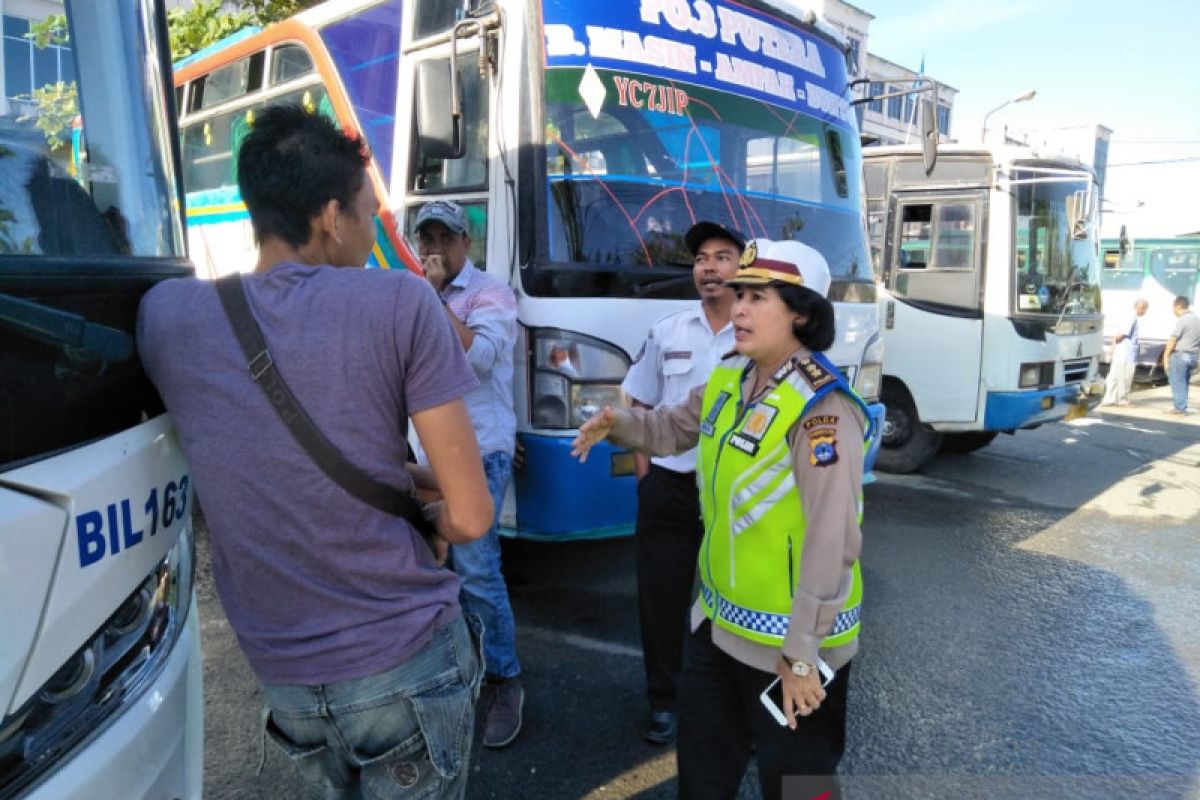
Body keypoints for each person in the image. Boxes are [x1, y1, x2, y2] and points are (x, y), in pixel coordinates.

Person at [137, 105, 493, 799]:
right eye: (366, 213)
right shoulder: (399, 302)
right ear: (331, 216)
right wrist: (436, 523)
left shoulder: (167, 315)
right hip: (404, 657)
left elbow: (265, 451)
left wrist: (410, 480)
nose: (370, 234)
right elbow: (473, 517)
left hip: (282, 675)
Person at [571, 240, 872, 800]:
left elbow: (834, 540)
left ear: (801, 312)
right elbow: (670, 429)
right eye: (739, 295)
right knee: (704, 780)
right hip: (716, 627)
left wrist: (803, 654)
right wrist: (618, 423)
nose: (738, 309)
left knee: (800, 787)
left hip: (790, 647)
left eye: (758, 298)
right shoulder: (731, 379)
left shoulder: (822, 410)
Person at [621, 221, 741, 745]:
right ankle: (663, 702)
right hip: (669, 488)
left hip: (733, 493)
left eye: (722, 256)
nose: (708, 267)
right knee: (662, 600)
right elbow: (638, 399)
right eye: (700, 259)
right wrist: (646, 476)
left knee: (733, 603)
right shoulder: (668, 330)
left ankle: (736, 705)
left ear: (745, 266)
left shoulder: (756, 332)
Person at [413, 199, 525, 748]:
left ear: (466, 243)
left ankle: (505, 679)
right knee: (430, 568)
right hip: (423, 454)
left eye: (444, 237)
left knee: (478, 569)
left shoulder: (490, 293)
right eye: (425, 238)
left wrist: (433, 300)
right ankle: (455, 674)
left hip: (480, 451)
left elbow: (479, 360)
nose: (433, 247)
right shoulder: (411, 293)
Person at [1101, 298, 1148, 407]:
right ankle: (1122, 399)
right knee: (1125, 378)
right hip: (1126, 354)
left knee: (1114, 377)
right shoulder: (1131, 318)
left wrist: (1113, 349)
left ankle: (1108, 398)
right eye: (1145, 310)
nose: (1144, 312)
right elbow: (1120, 335)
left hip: (1120, 353)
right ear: (1141, 308)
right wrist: (1114, 345)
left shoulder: (1126, 316)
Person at [1162, 295, 1200, 414]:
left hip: (1181, 355)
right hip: (1194, 356)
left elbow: (1173, 339)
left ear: (1177, 306)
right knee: (1184, 382)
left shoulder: (1183, 320)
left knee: (1178, 382)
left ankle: (1179, 408)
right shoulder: (1196, 319)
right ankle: (1182, 405)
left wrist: (1166, 356)